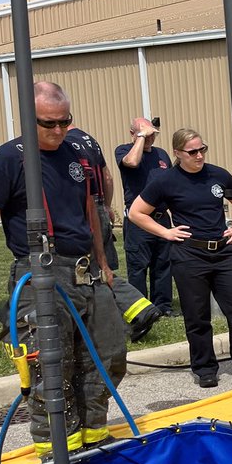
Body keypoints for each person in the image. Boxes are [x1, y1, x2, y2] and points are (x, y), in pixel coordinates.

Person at [0, 81, 126, 457]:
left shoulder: (77, 153)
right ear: (27, 119)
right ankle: (58, 452)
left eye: (64, 122)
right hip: (40, 274)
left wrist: (102, 262)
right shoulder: (8, 160)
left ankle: (94, 437)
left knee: (107, 355)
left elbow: (90, 210)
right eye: (48, 123)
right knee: (52, 369)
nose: (57, 131)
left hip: (86, 270)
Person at [128, 128, 232, 387]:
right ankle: (205, 369)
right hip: (189, 254)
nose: (199, 156)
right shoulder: (166, 180)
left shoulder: (218, 175)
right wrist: (166, 232)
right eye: (192, 151)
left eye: (202, 149)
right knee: (197, 315)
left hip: (224, 252)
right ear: (178, 153)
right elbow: (136, 213)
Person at [67, 122, 165, 343]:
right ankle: (136, 310)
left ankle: (134, 313)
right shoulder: (89, 141)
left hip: (80, 211)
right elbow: (108, 178)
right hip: (99, 207)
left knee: (92, 271)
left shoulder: (64, 145)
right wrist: (106, 207)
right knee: (103, 268)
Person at [116, 116, 174, 317]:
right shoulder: (124, 150)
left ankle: (163, 306)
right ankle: (142, 310)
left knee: (163, 264)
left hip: (161, 218)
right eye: (146, 134)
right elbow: (132, 162)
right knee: (138, 267)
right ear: (133, 134)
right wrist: (141, 136)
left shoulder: (162, 155)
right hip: (138, 220)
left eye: (152, 135)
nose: (150, 139)